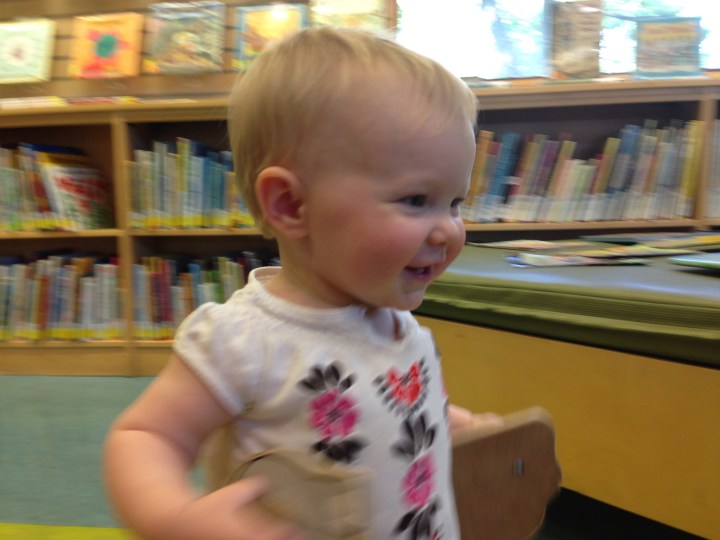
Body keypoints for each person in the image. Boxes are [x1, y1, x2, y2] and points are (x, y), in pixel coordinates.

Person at [104, 26, 498, 540]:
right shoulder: (244, 341)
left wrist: (454, 422)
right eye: (417, 201)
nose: (448, 230)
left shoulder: (401, 326)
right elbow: (145, 435)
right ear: (291, 205)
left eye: (455, 203)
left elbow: (393, 408)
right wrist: (175, 518)